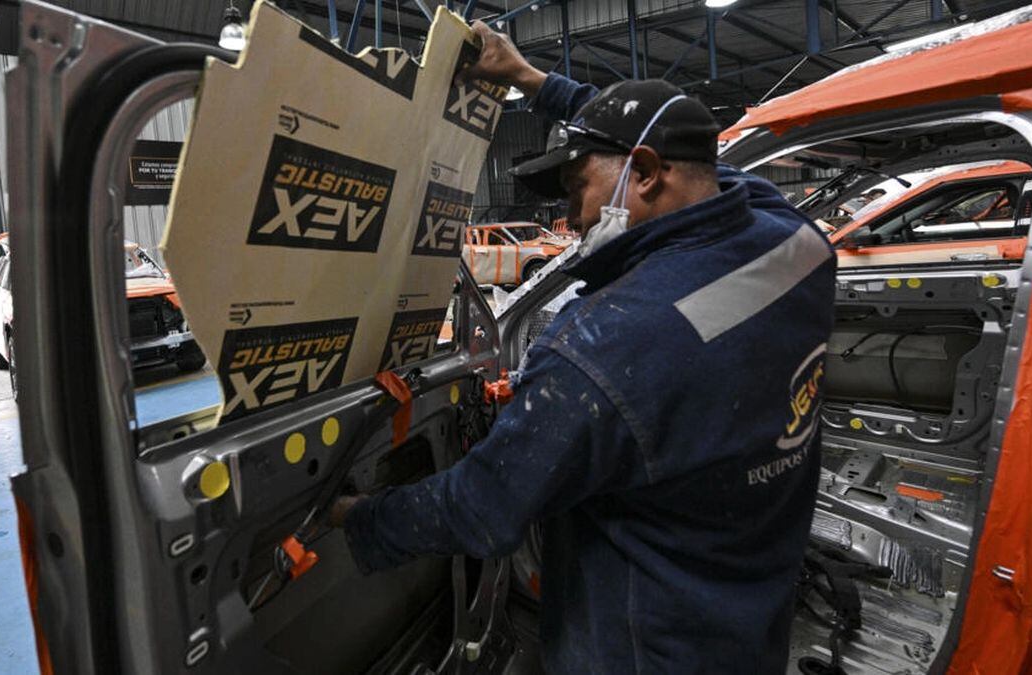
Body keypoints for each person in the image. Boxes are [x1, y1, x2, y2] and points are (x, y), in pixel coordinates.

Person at [332, 21, 836, 673]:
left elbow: (482, 509)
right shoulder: (793, 240)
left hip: (641, 650)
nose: (570, 219)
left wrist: (355, 516)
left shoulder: (604, 346)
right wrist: (529, 79)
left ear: (646, 172)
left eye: (577, 189)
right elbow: (684, 150)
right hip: (752, 612)